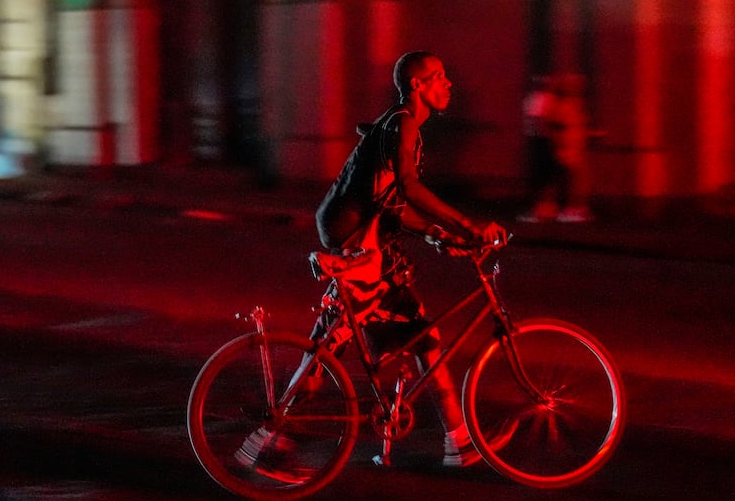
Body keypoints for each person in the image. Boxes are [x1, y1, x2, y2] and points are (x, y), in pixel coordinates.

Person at [238, 51, 508, 477]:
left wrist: (444, 236)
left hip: (374, 253)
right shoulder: (402, 123)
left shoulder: (401, 127)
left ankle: (459, 439)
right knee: (328, 348)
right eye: (439, 77)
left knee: (423, 338)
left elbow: (395, 206)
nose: (448, 84)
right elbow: (410, 189)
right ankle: (270, 443)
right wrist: (467, 225)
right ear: (418, 86)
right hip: (359, 253)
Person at [521, 72, 592, 224]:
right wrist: (555, 140)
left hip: (565, 146)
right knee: (563, 179)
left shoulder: (563, 103)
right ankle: (562, 209)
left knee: (557, 178)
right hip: (562, 147)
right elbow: (549, 123)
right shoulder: (554, 103)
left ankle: (551, 208)